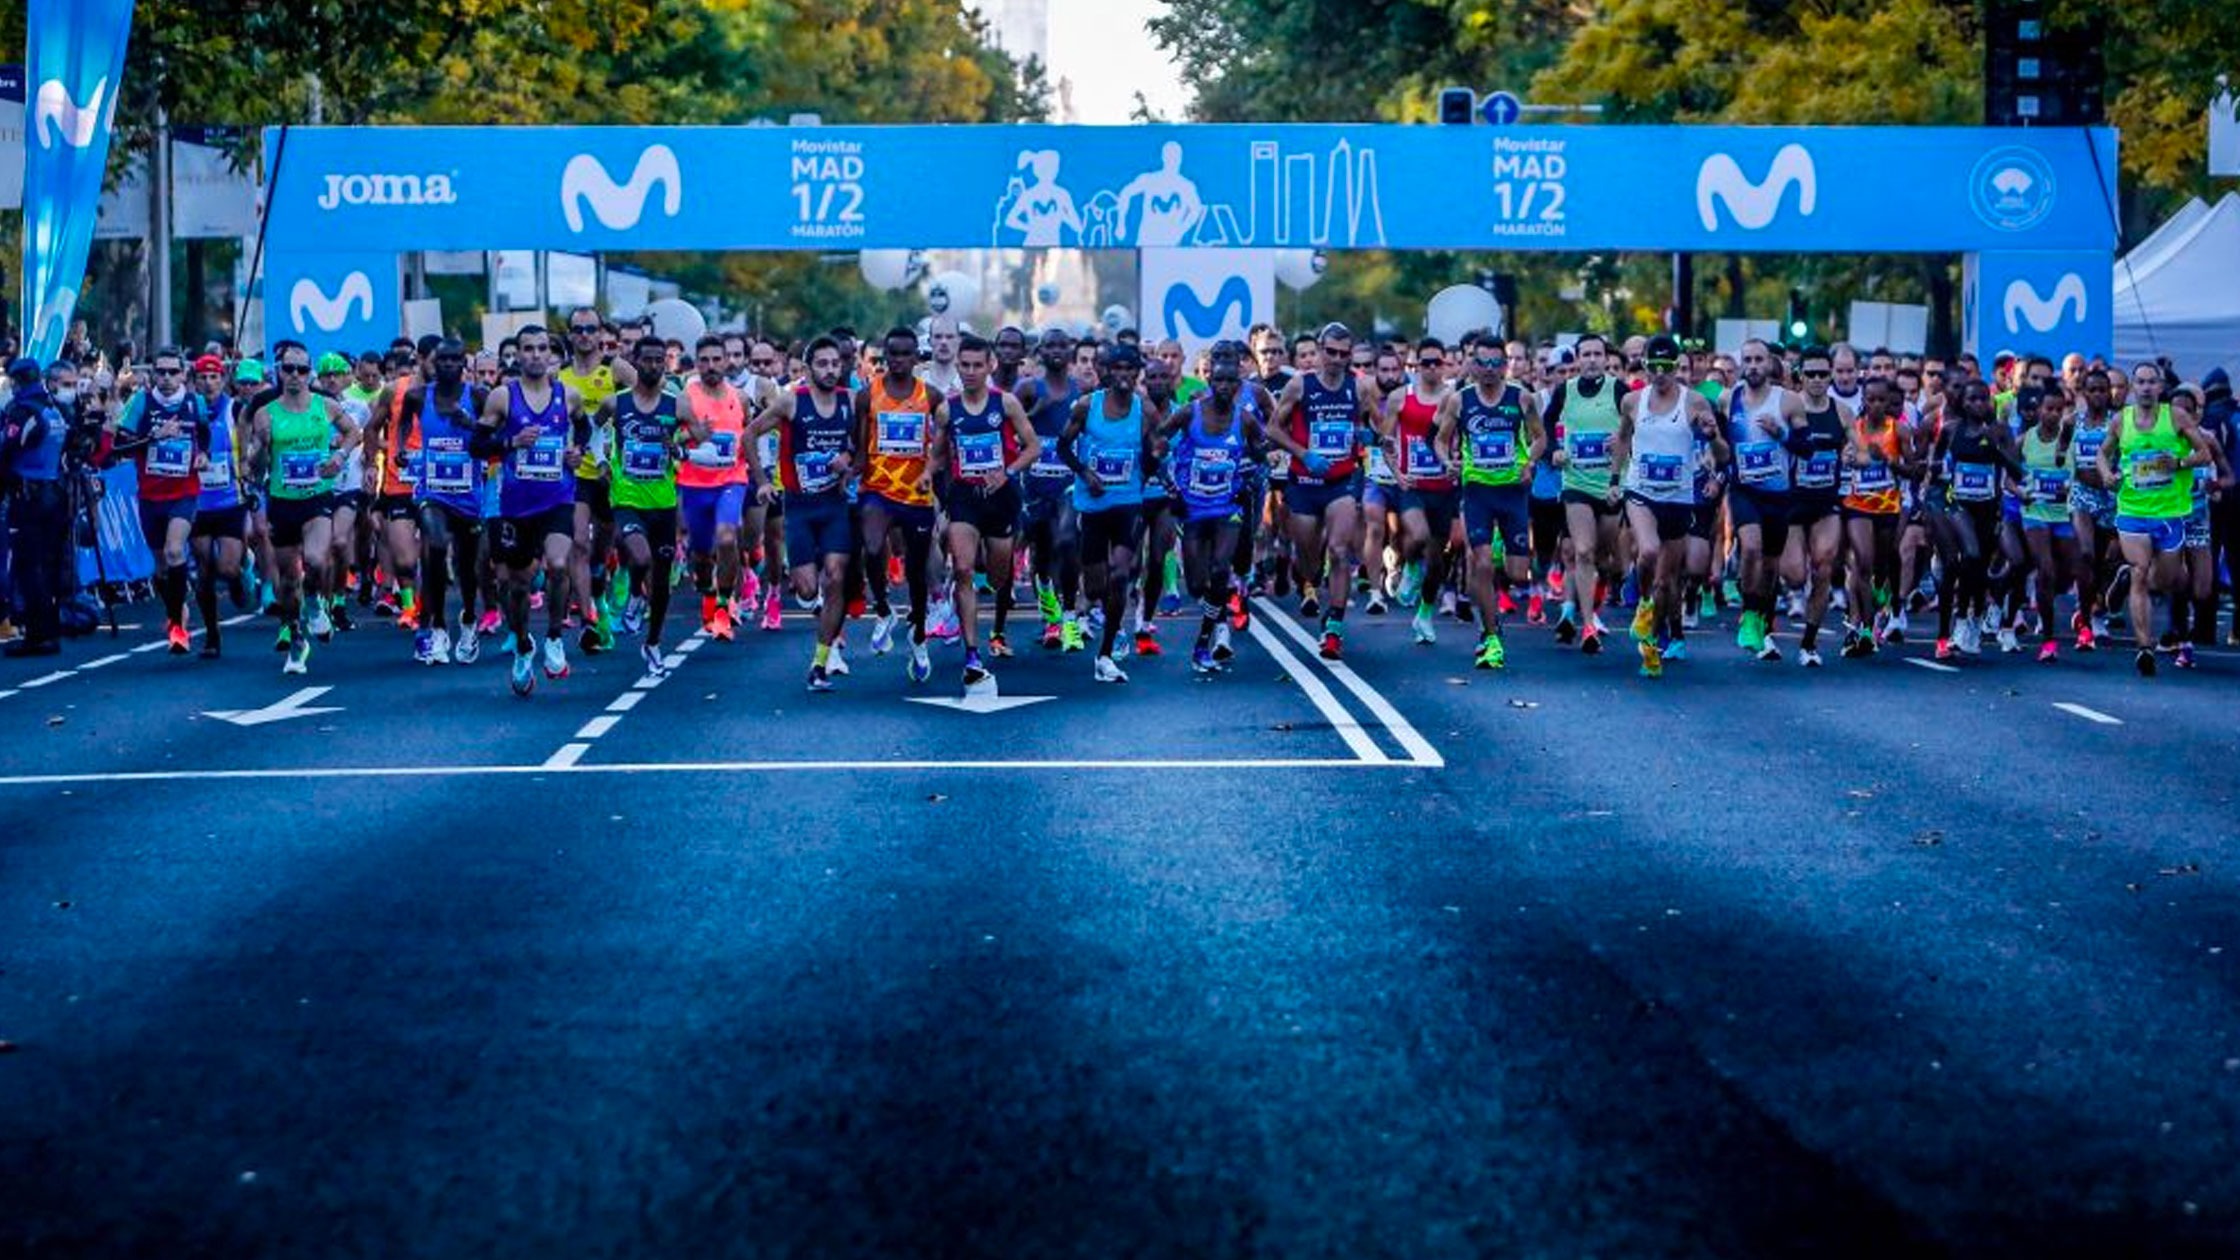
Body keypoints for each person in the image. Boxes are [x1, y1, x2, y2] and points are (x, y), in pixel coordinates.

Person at [472, 325, 589, 696]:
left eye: (543, 348)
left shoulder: (568, 396)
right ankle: (523, 644)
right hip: (516, 506)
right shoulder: (502, 397)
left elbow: (586, 430)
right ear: (517, 355)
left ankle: (554, 636)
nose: (536, 355)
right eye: (528, 349)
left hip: (558, 498)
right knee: (516, 585)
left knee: (557, 565)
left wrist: (578, 452)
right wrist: (510, 442)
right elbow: (477, 444)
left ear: (552, 355)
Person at [243, 341, 361, 675]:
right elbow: (256, 463)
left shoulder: (325, 406)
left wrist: (339, 457)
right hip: (282, 501)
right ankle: (296, 638)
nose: (295, 375)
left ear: (311, 374)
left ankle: (315, 603)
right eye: (288, 369)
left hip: (317, 497)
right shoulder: (266, 414)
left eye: (302, 369)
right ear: (279, 372)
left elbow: (354, 432)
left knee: (315, 560)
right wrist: (259, 450)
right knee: (288, 582)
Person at [930, 333, 1041, 690]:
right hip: (965, 495)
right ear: (958, 367)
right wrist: (923, 477)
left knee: (996, 578)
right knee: (963, 568)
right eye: (965, 365)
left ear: (990, 366)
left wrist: (1006, 471)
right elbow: (938, 455)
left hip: (1002, 497)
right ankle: (972, 654)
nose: (972, 372)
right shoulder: (947, 409)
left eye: (979, 365)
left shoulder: (1005, 403)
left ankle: (992, 603)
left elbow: (1033, 447)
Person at [1611, 335, 1726, 678]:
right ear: (1644, 365)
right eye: (1653, 366)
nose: (1659, 374)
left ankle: (1651, 649)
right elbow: (1622, 438)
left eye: (1667, 367)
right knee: (1647, 551)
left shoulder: (1694, 403)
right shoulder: (1632, 401)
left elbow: (1722, 456)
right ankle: (1643, 605)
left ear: (1677, 368)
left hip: (1677, 497)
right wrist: (1615, 480)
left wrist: (1713, 435)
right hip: (1641, 491)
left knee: (1667, 581)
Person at [748, 336, 858, 691]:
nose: (830, 370)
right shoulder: (792, 402)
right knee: (808, 589)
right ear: (809, 369)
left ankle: (820, 662)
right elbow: (748, 435)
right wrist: (763, 481)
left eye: (835, 364)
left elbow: (863, 447)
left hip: (834, 505)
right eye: (822, 364)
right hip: (799, 507)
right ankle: (816, 602)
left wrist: (849, 464)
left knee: (836, 575)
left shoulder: (850, 402)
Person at [1433, 334, 1545, 668]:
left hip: (1512, 492)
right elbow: (1441, 440)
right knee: (1479, 563)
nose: (1490, 369)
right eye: (1483, 362)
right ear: (1473, 364)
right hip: (1477, 490)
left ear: (1506, 365)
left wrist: (1530, 463)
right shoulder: (1460, 400)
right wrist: (1447, 462)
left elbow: (1540, 438)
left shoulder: (1521, 398)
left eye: (1497, 363)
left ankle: (1493, 589)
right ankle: (1491, 635)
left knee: (1516, 572)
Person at [2098, 361, 2216, 676]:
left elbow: (2204, 454)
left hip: (2170, 512)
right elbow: (2102, 453)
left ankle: (2125, 577)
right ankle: (2144, 647)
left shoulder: (2175, 417)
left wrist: (2178, 462)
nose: (2146, 387)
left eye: (2152, 382)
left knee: (2164, 581)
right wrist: (2107, 474)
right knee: (2140, 571)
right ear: (2133, 387)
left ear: (2160, 387)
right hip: (2133, 510)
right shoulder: (2121, 420)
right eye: (2140, 382)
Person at [1270, 322, 1379, 659]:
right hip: (1304, 482)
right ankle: (1305, 574)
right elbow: (1273, 428)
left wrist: (1369, 436)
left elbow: (1377, 424)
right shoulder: (1299, 385)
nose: (1336, 359)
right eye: (1330, 352)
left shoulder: (1358, 388)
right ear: (1319, 351)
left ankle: (1333, 627)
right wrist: (1303, 454)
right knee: (1310, 557)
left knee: (1339, 550)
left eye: (1343, 354)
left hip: (1341, 482)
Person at [1059, 342, 1161, 682]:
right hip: (1092, 505)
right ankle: (1103, 612)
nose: (1123, 375)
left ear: (1137, 373)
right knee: (1097, 585)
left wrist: (1152, 463)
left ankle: (1105, 652)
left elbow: (1152, 452)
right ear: (1107, 371)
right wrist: (1086, 474)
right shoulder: (1087, 406)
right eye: (1117, 368)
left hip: (1129, 503)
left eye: (1130, 369)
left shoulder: (1144, 410)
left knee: (1121, 573)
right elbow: (1062, 446)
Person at [1162, 357, 1270, 673]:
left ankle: (1205, 641)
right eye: (1218, 381)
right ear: (1210, 382)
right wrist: (1170, 485)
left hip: (1227, 507)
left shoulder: (1246, 420)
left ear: (1238, 385)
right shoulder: (1189, 413)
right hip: (1193, 508)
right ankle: (1217, 615)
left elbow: (1261, 452)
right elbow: (1154, 442)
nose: (1223, 387)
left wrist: (1249, 477)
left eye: (1229, 382)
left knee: (1221, 568)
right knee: (1197, 585)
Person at [109, 345, 211, 653]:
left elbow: (203, 435)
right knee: (161, 567)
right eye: (161, 372)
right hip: (150, 495)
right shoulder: (141, 402)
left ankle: (178, 626)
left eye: (173, 372)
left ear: (183, 374)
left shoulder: (196, 403)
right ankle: (176, 611)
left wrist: (203, 455)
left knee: (174, 550)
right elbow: (118, 445)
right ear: (153, 374)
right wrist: (154, 437)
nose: (166, 378)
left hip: (184, 492)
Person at [601, 334, 688, 678]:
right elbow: (590, 431)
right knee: (640, 557)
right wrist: (601, 460)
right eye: (647, 359)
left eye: (659, 360)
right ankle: (636, 593)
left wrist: (680, 448)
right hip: (627, 498)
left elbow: (695, 439)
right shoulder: (616, 403)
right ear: (635, 362)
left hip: (663, 501)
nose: (653, 365)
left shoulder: (676, 404)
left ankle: (652, 643)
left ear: (665, 364)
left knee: (663, 584)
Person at [856, 326, 941, 674]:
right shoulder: (868, 395)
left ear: (917, 358)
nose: (900, 360)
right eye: (894, 354)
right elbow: (860, 449)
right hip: (877, 490)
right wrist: (850, 467)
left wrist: (932, 470)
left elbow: (945, 444)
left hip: (916, 496)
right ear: (885, 357)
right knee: (872, 548)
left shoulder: (931, 397)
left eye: (907, 354)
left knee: (917, 573)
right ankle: (883, 610)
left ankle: (919, 635)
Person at [1927, 379, 2026, 661]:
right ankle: (1952, 627)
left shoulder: (2000, 431)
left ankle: (1973, 619)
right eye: (1972, 399)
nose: (1978, 404)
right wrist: (1937, 470)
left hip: (1988, 507)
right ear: (1963, 402)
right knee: (1965, 556)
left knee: (1979, 566)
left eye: (1984, 399)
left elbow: (2015, 472)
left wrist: (1996, 450)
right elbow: (1934, 469)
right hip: (1955, 505)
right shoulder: (1950, 430)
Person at [1542, 333, 1628, 653]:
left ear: (1606, 358)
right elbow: (1546, 423)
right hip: (1576, 483)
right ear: (1577, 359)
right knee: (1582, 551)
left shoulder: (1618, 390)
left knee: (1605, 559)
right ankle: (1588, 625)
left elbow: (1635, 427)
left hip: (1610, 485)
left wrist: (1620, 439)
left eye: (1597, 354)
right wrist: (1553, 450)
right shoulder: (1565, 390)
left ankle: (1589, 601)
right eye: (1586, 354)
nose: (1591, 359)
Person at [1723, 338, 1804, 660]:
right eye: (1748, 360)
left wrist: (1781, 434)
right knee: (1751, 547)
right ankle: (1749, 613)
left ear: (1770, 364)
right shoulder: (1730, 400)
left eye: (1759, 359)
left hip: (1779, 495)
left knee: (1770, 566)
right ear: (1742, 363)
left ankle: (1759, 615)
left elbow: (1806, 447)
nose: (1753, 366)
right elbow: (1718, 442)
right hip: (1744, 490)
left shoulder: (1788, 401)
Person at [1384, 336, 1458, 647]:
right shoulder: (1401, 397)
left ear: (1444, 365)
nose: (1430, 368)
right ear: (1414, 365)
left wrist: (1459, 459)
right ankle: (1407, 564)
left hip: (1444, 487)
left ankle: (1425, 613)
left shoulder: (1455, 398)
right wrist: (1396, 472)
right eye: (1424, 362)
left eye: (1436, 363)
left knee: (1439, 559)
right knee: (1418, 536)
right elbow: (1386, 440)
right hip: (1412, 485)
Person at [674, 334, 749, 641]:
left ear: (726, 361)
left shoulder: (740, 398)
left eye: (717, 359)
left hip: (732, 480)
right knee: (702, 556)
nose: (711, 366)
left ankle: (723, 604)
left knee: (728, 538)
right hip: (694, 484)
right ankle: (708, 590)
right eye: (704, 360)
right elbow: (670, 441)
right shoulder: (685, 397)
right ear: (697, 362)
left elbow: (749, 439)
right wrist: (690, 435)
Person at [1014, 329, 1084, 650]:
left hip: (1068, 483)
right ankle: (1050, 616)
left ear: (1070, 351)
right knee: (1042, 554)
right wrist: (1034, 412)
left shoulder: (1082, 389)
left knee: (1067, 540)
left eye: (1063, 344)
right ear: (1040, 352)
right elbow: (1008, 425)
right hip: (1036, 483)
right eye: (1051, 345)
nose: (1057, 350)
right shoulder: (1028, 388)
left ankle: (1069, 616)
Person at [1783, 346, 1852, 667]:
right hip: (1792, 502)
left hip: (1826, 503)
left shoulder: (1841, 412)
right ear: (1800, 376)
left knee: (1824, 566)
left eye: (1823, 374)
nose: (1817, 380)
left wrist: (1854, 453)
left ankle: (1809, 643)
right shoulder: (1788, 406)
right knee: (1796, 575)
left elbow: (1858, 448)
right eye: (1810, 373)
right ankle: (1766, 612)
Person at [1838, 376, 1915, 659]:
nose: (1877, 405)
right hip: (1857, 505)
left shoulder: (1900, 431)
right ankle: (1866, 628)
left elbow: (1914, 470)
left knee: (1881, 564)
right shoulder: (1853, 430)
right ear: (1863, 401)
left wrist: (1890, 461)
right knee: (1862, 562)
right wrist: (1848, 458)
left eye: (1882, 400)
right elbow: (1844, 459)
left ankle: (1880, 591)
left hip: (1888, 507)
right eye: (1871, 400)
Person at [0, 358, 69, 657]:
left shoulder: (24, 411)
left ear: (16, 382)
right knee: (47, 564)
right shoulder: (53, 409)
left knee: (30, 567)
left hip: (30, 496)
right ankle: (48, 629)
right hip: (54, 492)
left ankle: (38, 634)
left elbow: (7, 449)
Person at [2011, 384, 2080, 664]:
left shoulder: (2071, 439)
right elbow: (2008, 479)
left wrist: (2071, 489)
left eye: (2058, 410)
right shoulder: (2024, 440)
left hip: (2063, 514)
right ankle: (2049, 639)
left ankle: (2044, 600)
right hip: (2035, 513)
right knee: (2046, 569)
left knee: (2067, 574)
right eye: (2048, 408)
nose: (2053, 414)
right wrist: (2021, 492)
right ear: (2038, 410)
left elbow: (2080, 474)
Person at [188, 353, 249, 658]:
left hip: (230, 500)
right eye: (202, 377)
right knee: (204, 570)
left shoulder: (235, 408)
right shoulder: (188, 409)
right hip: (197, 503)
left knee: (226, 566)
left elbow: (251, 443)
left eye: (214, 377)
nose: (208, 383)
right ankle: (212, 635)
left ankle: (237, 576)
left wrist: (250, 468)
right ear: (194, 381)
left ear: (223, 380)